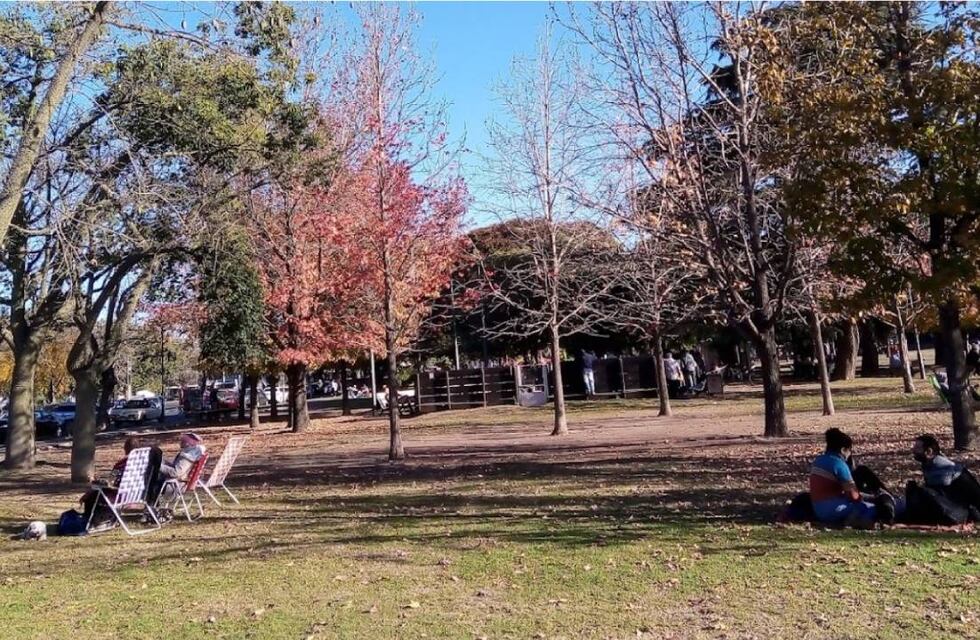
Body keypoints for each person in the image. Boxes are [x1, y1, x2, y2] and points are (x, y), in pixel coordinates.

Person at [808, 428, 887, 528]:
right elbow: (853, 496)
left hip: (818, 509)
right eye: (850, 450)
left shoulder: (818, 461)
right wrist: (872, 498)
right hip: (833, 510)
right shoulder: (838, 464)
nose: (850, 454)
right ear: (843, 450)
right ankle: (855, 522)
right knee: (873, 508)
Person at [912, 434, 980, 514]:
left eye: (917, 448)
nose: (914, 450)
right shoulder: (931, 463)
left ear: (929, 451)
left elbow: (938, 496)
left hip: (970, 509)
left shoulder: (940, 468)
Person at [80, 437, 138, 522]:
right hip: (135, 495)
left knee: (92, 495)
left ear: (125, 449)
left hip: (120, 496)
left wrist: (95, 481)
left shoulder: (121, 464)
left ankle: (89, 521)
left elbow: (111, 482)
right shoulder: (142, 464)